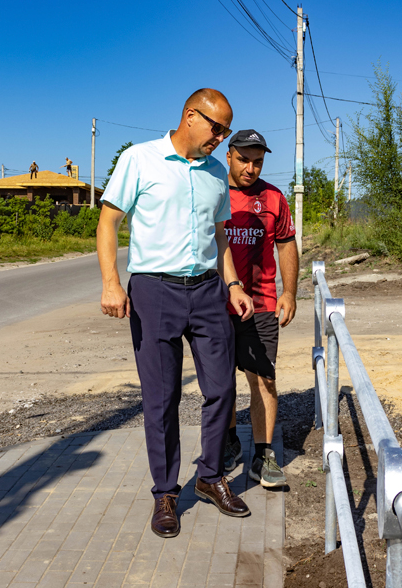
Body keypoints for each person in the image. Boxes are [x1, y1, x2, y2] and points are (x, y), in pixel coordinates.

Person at [97, 89, 254, 539]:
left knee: (221, 388)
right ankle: (166, 493)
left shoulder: (216, 174)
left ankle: (209, 476)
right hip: (153, 291)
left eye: (225, 131)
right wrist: (111, 282)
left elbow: (221, 236)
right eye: (216, 128)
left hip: (206, 291)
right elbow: (108, 221)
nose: (221, 139)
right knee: (161, 400)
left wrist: (234, 285)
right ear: (190, 116)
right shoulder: (139, 159)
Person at [222, 129, 298, 489]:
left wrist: (290, 292)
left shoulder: (273, 197)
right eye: (244, 160)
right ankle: (228, 442)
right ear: (229, 157)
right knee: (219, 382)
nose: (251, 168)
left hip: (264, 302)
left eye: (258, 162)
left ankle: (263, 456)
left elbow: (286, 246)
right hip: (217, 304)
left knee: (264, 380)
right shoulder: (214, 193)